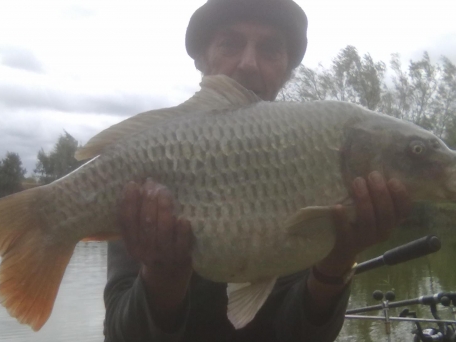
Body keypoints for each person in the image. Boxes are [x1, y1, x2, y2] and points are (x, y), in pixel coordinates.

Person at [103, 0, 411, 341]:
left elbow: (295, 335)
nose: (249, 64)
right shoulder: (148, 162)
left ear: (287, 70)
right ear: (202, 59)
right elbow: (120, 334)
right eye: (230, 44)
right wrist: (161, 279)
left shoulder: (305, 165)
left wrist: (337, 261)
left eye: (270, 49)